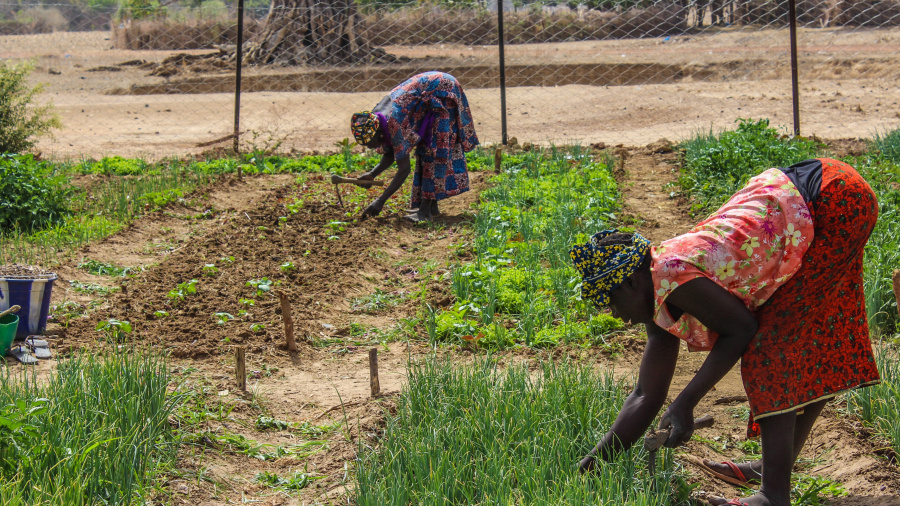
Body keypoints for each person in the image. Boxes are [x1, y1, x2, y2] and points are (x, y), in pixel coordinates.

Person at [570, 158, 880, 506]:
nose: (614, 314)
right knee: (799, 337)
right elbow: (645, 395)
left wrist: (686, 402)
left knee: (770, 348)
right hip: (815, 191)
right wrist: (589, 467)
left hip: (834, 199)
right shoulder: (657, 294)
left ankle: (773, 495)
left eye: (610, 303)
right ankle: (772, 470)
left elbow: (741, 330)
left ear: (631, 282)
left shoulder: (671, 276)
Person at [349, 71, 479, 222]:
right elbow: (392, 150)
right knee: (425, 150)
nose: (373, 148)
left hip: (443, 91)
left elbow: (404, 169)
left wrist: (380, 201)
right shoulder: (375, 120)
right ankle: (431, 207)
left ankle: (424, 213)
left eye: (372, 144)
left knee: (433, 150)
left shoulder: (393, 122)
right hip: (430, 91)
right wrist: (373, 173)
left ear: (379, 134)